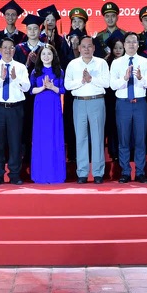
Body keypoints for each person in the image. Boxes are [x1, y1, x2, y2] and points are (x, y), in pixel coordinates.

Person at [63, 36, 110, 184]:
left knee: (98, 137)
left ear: (94, 48)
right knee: (81, 138)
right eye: (83, 46)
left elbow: (107, 83)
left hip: (96, 101)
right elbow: (67, 85)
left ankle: (98, 172)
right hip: (79, 102)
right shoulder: (73, 64)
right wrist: (82, 81)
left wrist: (91, 79)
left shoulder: (101, 63)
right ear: (79, 48)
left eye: (89, 46)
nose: (86, 49)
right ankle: (82, 172)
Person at [0, 37, 30, 184]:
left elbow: (26, 87)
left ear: (14, 50)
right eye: (5, 47)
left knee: (15, 142)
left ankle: (15, 174)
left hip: (15, 108)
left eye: (11, 48)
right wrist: (1, 79)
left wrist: (15, 79)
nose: (8, 50)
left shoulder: (20, 67)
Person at [110, 32, 147, 183]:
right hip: (123, 104)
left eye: (134, 42)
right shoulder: (116, 63)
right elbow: (112, 85)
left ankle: (140, 172)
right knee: (123, 139)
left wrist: (140, 78)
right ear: (124, 44)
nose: (131, 44)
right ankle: (125, 172)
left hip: (140, 103)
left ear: (138, 44)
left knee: (140, 139)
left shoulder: (145, 62)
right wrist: (124, 79)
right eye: (128, 42)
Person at [29, 44, 66, 184]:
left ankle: (55, 174)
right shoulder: (35, 71)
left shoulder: (59, 71)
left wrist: (52, 87)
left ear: (53, 56)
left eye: (49, 54)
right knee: (41, 138)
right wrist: (43, 87)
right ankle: (40, 174)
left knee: (54, 136)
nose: (46, 56)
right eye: (43, 54)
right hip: (40, 106)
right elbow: (31, 90)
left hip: (54, 106)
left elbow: (63, 89)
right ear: (40, 56)